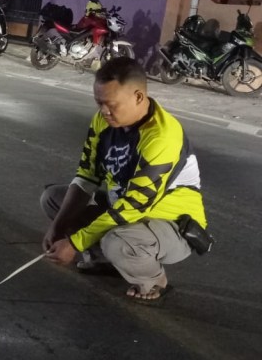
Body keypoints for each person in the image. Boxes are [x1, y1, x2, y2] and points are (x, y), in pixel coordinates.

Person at [41, 57, 209, 303]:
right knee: (53, 200)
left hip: (171, 225)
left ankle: (154, 280)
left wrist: (75, 244)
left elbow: (134, 206)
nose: (104, 112)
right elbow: (87, 177)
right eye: (99, 103)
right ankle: (103, 259)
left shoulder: (162, 136)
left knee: (118, 241)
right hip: (124, 211)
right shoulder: (102, 121)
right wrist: (57, 227)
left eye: (111, 105)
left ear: (139, 97)